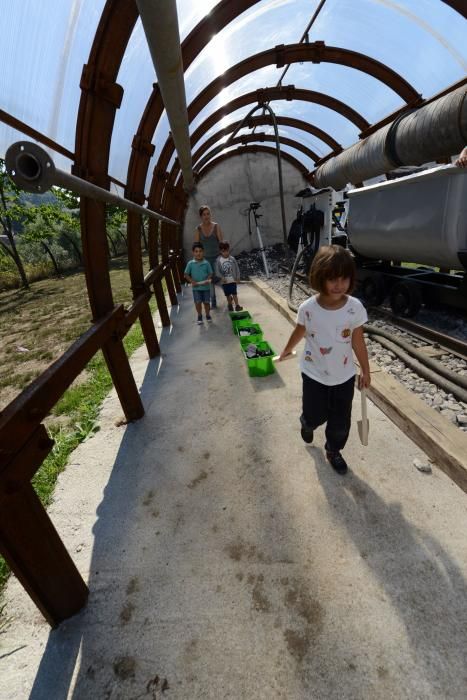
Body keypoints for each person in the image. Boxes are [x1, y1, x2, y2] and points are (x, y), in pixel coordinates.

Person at [278, 245, 371, 475]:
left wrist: (366, 371)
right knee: (315, 414)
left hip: (344, 376)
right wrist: (286, 351)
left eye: (344, 278)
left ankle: (333, 450)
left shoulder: (354, 308)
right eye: (332, 279)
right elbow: (299, 331)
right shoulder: (308, 309)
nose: (339, 285)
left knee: (341, 421)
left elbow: (358, 342)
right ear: (320, 278)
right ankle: (307, 423)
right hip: (314, 374)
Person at [194, 205, 223, 308]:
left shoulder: (216, 226)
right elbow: (196, 246)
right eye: (204, 214)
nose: (206, 216)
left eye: (208, 214)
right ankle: (213, 301)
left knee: (220, 279)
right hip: (205, 260)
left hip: (217, 258)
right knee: (209, 281)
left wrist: (223, 257)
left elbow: (221, 243)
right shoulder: (198, 229)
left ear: (210, 214)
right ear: (201, 216)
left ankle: (230, 296)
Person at [184, 242, 213, 324]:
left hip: (206, 287)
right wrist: (192, 281)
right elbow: (186, 274)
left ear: (203, 252)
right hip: (196, 288)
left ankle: (207, 315)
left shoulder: (206, 263)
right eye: (196, 251)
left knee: (206, 302)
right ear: (193, 252)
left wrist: (207, 279)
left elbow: (210, 273)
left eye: (200, 251)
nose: (198, 253)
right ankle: (199, 315)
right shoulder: (190, 263)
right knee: (198, 303)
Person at [215, 241, 243, 312]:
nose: (225, 253)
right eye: (223, 251)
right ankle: (230, 305)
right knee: (227, 295)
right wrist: (222, 277)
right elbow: (217, 271)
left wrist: (238, 277)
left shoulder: (232, 259)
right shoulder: (218, 260)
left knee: (234, 293)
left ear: (229, 249)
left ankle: (237, 305)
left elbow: (237, 268)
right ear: (220, 251)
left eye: (227, 251)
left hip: (232, 280)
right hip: (225, 282)